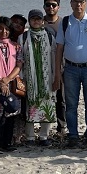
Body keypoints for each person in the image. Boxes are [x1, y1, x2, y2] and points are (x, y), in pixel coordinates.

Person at [54, 0, 87, 147]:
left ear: (86, 3)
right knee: (71, 104)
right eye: (75, 1)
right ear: (70, 3)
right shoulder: (65, 22)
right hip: (70, 69)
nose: (78, 4)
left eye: (81, 1)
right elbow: (59, 48)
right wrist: (57, 72)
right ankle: (73, 135)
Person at [21, 10, 57, 146]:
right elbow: (20, 59)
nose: (36, 21)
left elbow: (54, 58)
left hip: (47, 78)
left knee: (47, 105)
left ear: (43, 21)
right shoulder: (23, 37)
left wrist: (55, 76)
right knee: (30, 107)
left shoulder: (49, 36)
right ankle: (30, 136)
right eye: (33, 19)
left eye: (38, 19)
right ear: (29, 21)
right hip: (30, 79)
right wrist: (22, 78)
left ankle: (44, 136)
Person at [0, 17, 23, 151]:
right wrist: (0, 81)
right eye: (1, 28)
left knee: (11, 113)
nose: (4, 31)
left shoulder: (16, 46)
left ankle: (7, 143)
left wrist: (7, 79)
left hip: (12, 83)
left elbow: (19, 65)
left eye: (7, 29)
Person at [42, 0, 67, 135]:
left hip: (62, 67)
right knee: (44, 98)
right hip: (43, 68)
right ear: (44, 6)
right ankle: (43, 128)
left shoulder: (64, 23)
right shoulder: (39, 22)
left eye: (53, 5)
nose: (50, 7)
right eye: (48, 5)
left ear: (58, 7)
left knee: (61, 99)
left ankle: (61, 127)